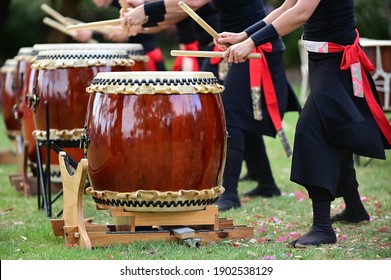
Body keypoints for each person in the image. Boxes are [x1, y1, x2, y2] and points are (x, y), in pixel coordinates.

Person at [216, 0, 391, 247]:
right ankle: (355, 210)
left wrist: (251, 43)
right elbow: (288, 6)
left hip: (337, 62)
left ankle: (322, 227)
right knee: (333, 132)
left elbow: (301, 13)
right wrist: (244, 35)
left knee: (312, 132)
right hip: (323, 61)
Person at [121, 0, 301, 211]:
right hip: (233, 45)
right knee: (214, 104)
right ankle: (267, 184)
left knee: (230, 112)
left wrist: (146, 10)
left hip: (255, 46)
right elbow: (180, 5)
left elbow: (192, 2)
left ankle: (230, 194)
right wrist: (143, 11)